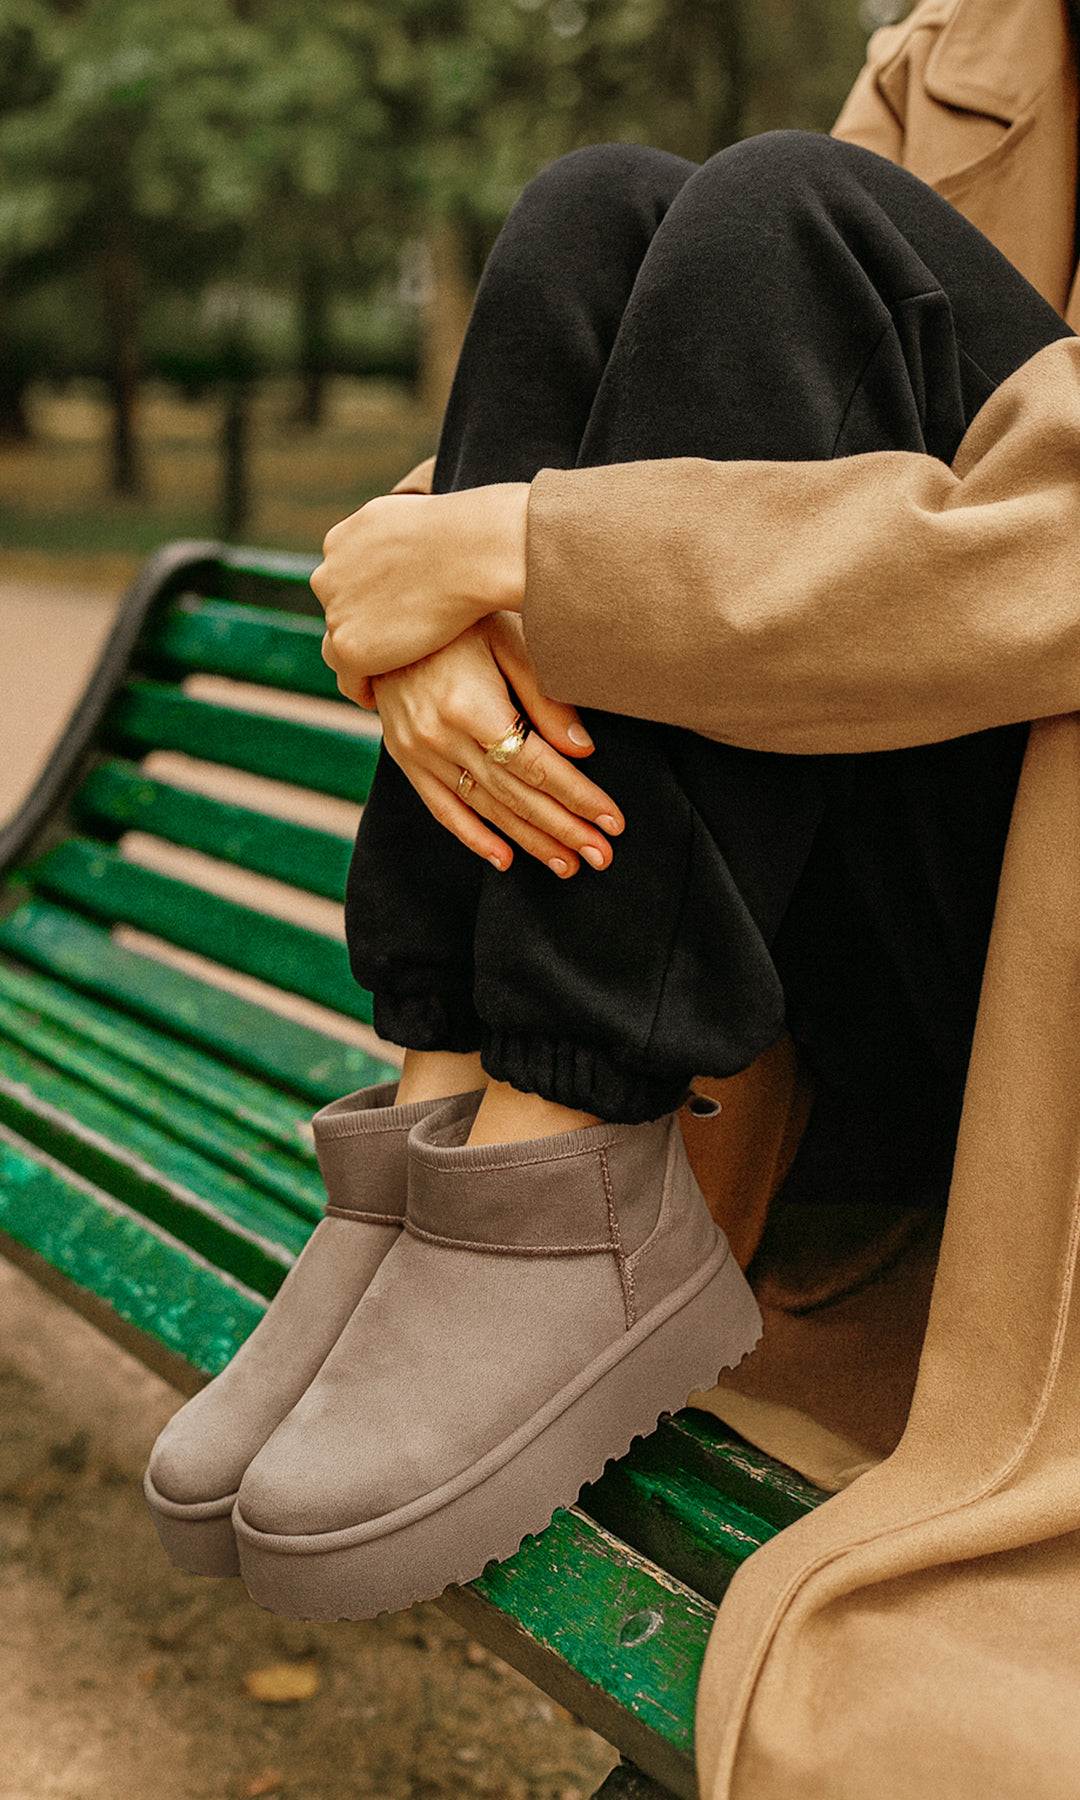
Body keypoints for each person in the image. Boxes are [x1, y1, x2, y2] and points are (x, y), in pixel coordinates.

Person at [146, 0, 1080, 1722]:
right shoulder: (968, 43)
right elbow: (708, 361)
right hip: (902, 903)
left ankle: (567, 1162)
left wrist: (523, 553)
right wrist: (439, 593)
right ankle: (451, 1129)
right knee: (606, 215)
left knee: (794, 207)